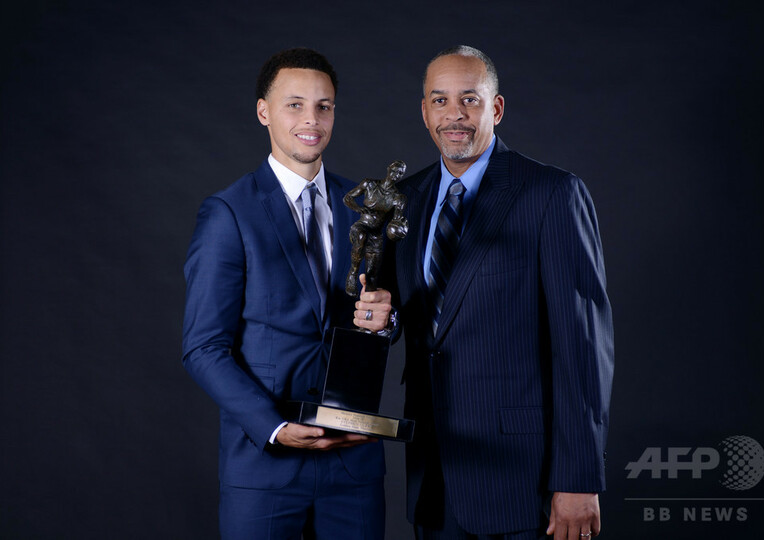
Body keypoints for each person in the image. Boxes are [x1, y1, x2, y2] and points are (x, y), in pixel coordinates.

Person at [386, 45, 615, 539]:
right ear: (424, 111)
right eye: (440, 100)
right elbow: (407, 316)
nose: (454, 115)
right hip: (434, 477)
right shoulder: (404, 200)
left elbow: (581, 348)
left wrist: (578, 479)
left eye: (469, 100)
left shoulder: (550, 193)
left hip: (522, 480)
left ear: (497, 107)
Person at [181, 48, 393, 539]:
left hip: (352, 466)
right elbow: (203, 347)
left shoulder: (364, 208)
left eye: (324, 106)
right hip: (265, 464)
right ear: (264, 112)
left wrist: (387, 319)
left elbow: (381, 317)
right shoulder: (228, 213)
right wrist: (273, 427)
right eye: (294, 105)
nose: (311, 120)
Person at [343, 160, 409, 297]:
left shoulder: (398, 198)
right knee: (361, 236)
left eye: (400, 173)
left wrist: (401, 229)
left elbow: (396, 221)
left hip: (376, 235)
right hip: (361, 226)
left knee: (371, 278)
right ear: (389, 168)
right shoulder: (369, 184)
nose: (396, 175)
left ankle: (369, 305)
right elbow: (348, 198)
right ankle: (353, 273)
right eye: (395, 170)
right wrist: (359, 209)